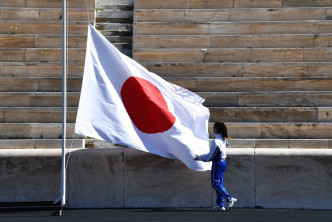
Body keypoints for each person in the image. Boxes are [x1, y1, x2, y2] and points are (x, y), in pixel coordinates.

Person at [194, 122, 237, 211]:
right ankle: (220, 204)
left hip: (217, 163)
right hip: (222, 162)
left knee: (215, 183)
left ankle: (229, 198)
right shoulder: (223, 139)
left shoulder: (216, 141)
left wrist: (199, 157)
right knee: (219, 184)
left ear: (216, 129)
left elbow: (210, 156)